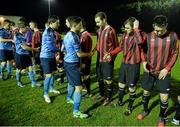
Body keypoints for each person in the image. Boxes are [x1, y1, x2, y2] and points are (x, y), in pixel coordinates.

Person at [137, 15, 179, 127]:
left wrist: (167, 68)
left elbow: (175, 53)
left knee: (164, 97)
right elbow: (142, 50)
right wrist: (144, 61)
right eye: (156, 30)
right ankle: (145, 110)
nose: (158, 33)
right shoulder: (149, 35)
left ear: (166, 26)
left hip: (163, 72)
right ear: (153, 26)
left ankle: (161, 117)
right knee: (146, 92)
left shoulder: (173, 36)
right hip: (149, 71)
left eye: (161, 31)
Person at [104, 17, 145, 115]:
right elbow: (120, 47)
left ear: (133, 27)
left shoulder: (141, 34)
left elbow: (140, 42)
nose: (125, 30)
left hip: (134, 65)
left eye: (127, 28)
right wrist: (111, 53)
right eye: (125, 28)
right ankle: (119, 102)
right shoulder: (124, 35)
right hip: (124, 64)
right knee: (121, 85)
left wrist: (136, 29)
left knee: (131, 87)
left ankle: (130, 107)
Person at [62, 16, 90, 118]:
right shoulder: (75, 37)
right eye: (80, 24)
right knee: (79, 87)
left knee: (70, 82)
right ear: (75, 25)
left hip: (67, 62)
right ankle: (76, 111)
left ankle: (69, 98)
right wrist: (88, 54)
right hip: (72, 64)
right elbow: (79, 54)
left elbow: (63, 49)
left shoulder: (67, 34)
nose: (81, 26)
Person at [93, 11, 119, 106]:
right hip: (99, 58)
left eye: (98, 22)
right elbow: (99, 42)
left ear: (104, 20)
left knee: (108, 79)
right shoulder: (99, 30)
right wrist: (94, 50)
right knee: (99, 78)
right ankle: (102, 95)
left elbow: (117, 47)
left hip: (107, 60)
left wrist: (111, 56)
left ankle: (108, 98)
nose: (97, 24)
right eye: (96, 22)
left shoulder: (111, 31)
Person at [14, 19, 41, 88]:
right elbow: (24, 47)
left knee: (30, 67)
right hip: (20, 55)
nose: (27, 29)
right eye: (25, 28)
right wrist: (34, 49)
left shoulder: (23, 35)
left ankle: (33, 82)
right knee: (19, 70)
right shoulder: (17, 35)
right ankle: (19, 82)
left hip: (26, 54)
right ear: (21, 28)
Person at [40, 15, 61, 103]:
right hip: (45, 56)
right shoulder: (48, 32)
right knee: (48, 75)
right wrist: (61, 50)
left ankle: (51, 89)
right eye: (57, 23)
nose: (59, 24)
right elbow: (50, 46)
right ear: (51, 23)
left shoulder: (52, 31)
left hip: (51, 56)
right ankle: (45, 94)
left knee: (52, 73)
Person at [79, 19, 93, 97]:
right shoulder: (83, 34)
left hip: (85, 60)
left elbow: (87, 50)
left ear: (81, 25)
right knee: (83, 75)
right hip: (83, 59)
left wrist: (84, 62)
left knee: (86, 76)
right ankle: (85, 88)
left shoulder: (86, 35)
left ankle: (89, 92)